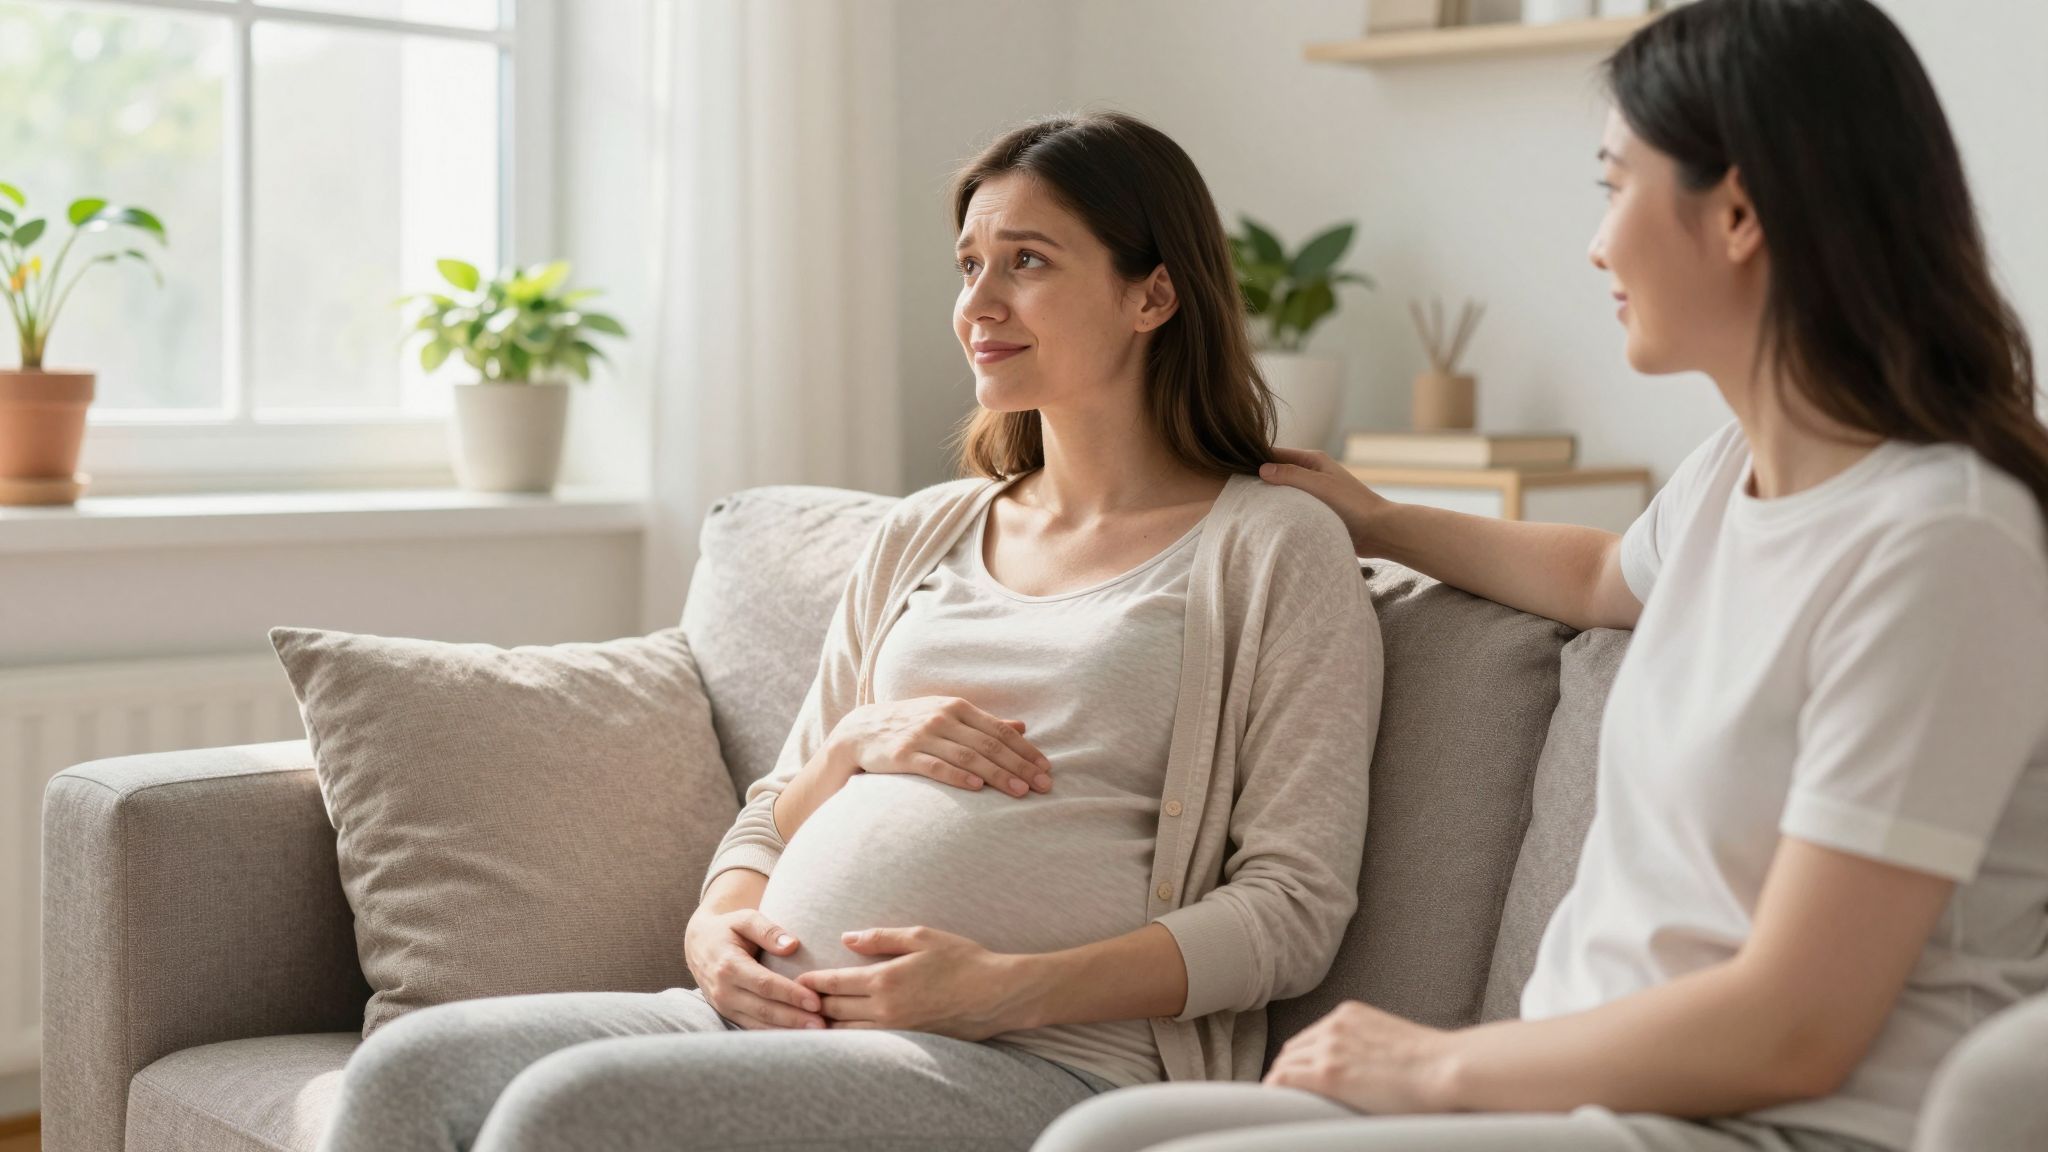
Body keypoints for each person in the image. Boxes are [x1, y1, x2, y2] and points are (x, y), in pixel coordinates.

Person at [1033, 2, 2048, 1151]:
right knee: (1103, 1138)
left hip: (1770, 1124)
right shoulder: (1736, 478)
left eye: (1613, 186)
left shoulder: (1939, 546)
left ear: (1738, 211)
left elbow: (1795, 1025)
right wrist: (1380, 520)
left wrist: (1437, 1063)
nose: (1595, 242)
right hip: (1590, 1096)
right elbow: (1603, 572)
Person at [315, 110, 1383, 1152]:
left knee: (575, 1112)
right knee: (412, 1071)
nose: (980, 303)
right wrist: (719, 926)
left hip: (1038, 1061)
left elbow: (1289, 913)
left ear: (1151, 293)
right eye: (968, 265)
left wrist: (1003, 989)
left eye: (1027, 262)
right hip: (760, 1016)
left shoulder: (1271, 547)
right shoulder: (924, 531)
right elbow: (768, 817)